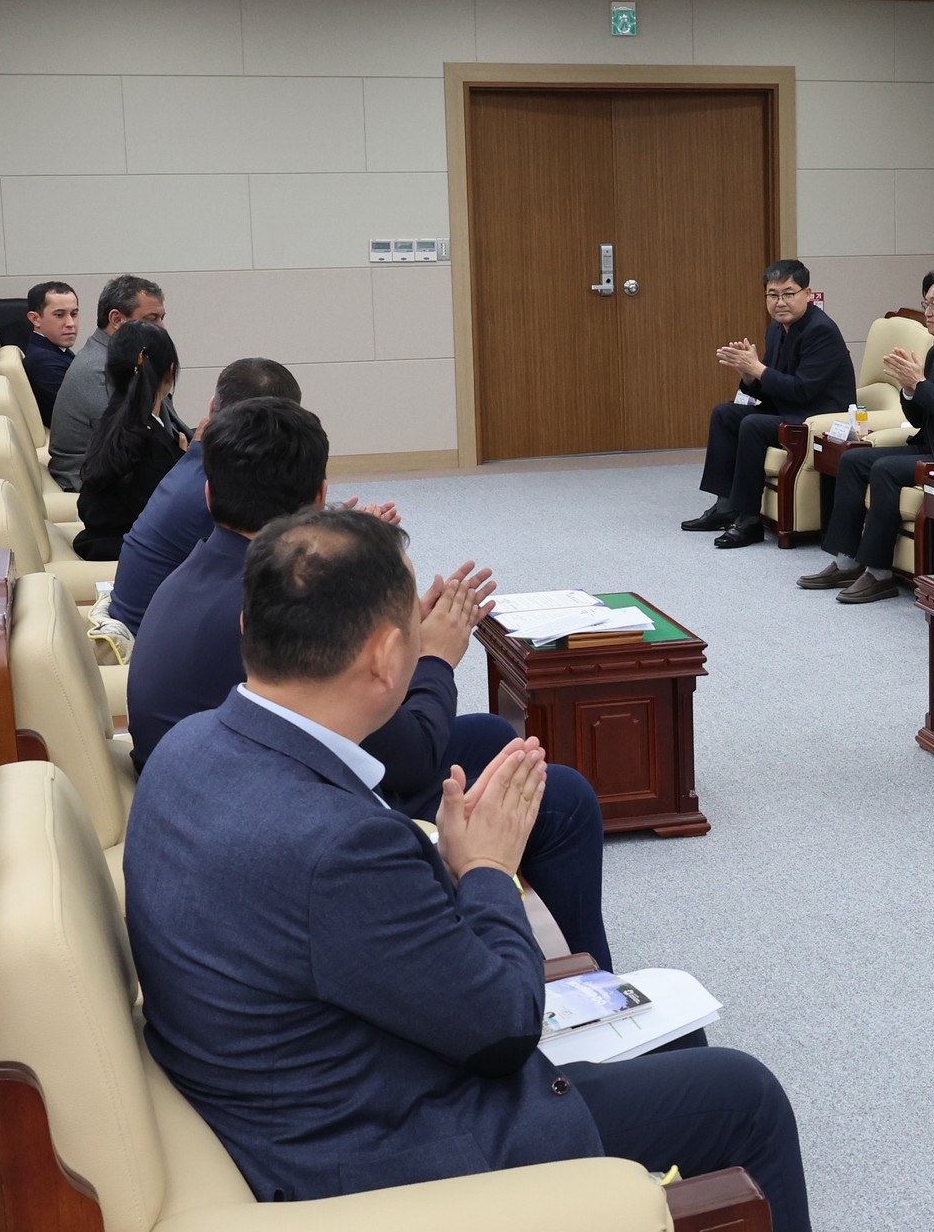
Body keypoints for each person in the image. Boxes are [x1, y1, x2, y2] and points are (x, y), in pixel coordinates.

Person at [123, 508, 925, 1232]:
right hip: (378, 1147)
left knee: (674, 1036)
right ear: (386, 655)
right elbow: (503, 1024)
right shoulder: (333, 845)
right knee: (739, 1093)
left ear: (252, 634)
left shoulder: (196, 745)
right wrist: (485, 871)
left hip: (304, 1084)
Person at [123, 398, 614, 967]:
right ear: (319, 497)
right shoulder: (273, 605)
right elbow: (407, 755)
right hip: (284, 806)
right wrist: (431, 654)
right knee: (563, 796)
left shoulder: (209, 570)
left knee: (486, 737)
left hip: (228, 780)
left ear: (210, 495)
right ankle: (589, 979)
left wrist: (394, 627)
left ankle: (562, 950)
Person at [799, 268, 934, 606]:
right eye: (925, 303)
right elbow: (918, 417)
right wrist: (910, 391)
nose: (927, 311)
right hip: (930, 442)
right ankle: (847, 560)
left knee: (885, 470)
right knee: (853, 460)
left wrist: (921, 385)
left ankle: (879, 574)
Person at [106, 356, 303, 632]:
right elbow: (284, 570)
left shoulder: (201, 460)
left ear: (212, 407)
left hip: (146, 623)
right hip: (158, 636)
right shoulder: (226, 486)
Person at [684, 260, 854, 549]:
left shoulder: (820, 330)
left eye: (789, 294)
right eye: (773, 295)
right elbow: (770, 388)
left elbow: (803, 390)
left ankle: (749, 521)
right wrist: (748, 374)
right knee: (725, 413)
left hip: (818, 416)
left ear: (808, 293)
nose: (780, 302)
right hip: (788, 408)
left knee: (753, 424)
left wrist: (759, 369)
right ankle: (725, 505)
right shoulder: (776, 330)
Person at [70, 321, 185, 560]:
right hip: (133, 550)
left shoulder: (110, 423)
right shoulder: (150, 441)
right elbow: (173, 518)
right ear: (170, 372)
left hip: (102, 540)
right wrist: (189, 462)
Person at [48, 273, 167, 489]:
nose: (162, 328)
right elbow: (132, 442)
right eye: (151, 319)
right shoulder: (102, 370)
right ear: (117, 320)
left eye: (162, 318)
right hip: (92, 480)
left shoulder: (116, 356)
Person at [17, 279, 80, 409]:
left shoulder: (54, 349)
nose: (70, 323)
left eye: (74, 314)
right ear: (35, 319)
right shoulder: (43, 362)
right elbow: (79, 411)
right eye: (59, 315)